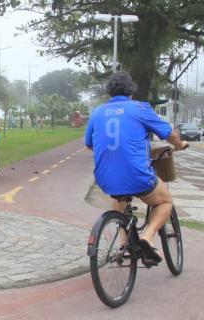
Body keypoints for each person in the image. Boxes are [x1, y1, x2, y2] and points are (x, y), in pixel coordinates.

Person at [84, 71, 187, 265]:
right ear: (131, 91)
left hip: (104, 178)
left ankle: (124, 244)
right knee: (165, 201)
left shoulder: (97, 112)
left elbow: (89, 143)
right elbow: (169, 134)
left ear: (109, 92)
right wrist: (180, 145)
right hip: (136, 175)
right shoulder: (139, 109)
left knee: (119, 196)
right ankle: (147, 237)